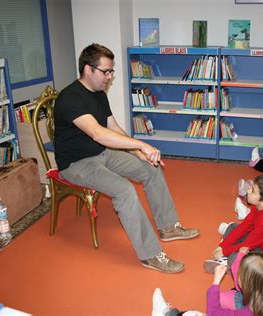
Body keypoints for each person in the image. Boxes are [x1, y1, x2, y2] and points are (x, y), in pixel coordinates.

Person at [54, 43, 199, 273]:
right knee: (124, 190)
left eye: (112, 71)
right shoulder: (69, 98)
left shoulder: (99, 94)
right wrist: (142, 144)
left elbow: (113, 128)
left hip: (101, 153)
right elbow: (98, 133)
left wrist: (139, 153)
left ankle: (168, 227)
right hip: (77, 163)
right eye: (106, 71)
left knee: (150, 169)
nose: (110, 77)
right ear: (88, 69)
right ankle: (150, 255)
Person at [152, 252, 263, 316]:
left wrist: (216, 282)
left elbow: (213, 312)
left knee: (192, 315)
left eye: (241, 273)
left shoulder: (248, 313)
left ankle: (167, 314)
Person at [204, 175, 263, 271]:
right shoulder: (258, 207)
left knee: (241, 257)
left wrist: (224, 252)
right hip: (256, 243)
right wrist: (221, 247)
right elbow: (242, 228)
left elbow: (248, 244)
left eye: (253, 190)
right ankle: (226, 257)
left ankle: (228, 262)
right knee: (233, 227)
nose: (248, 191)